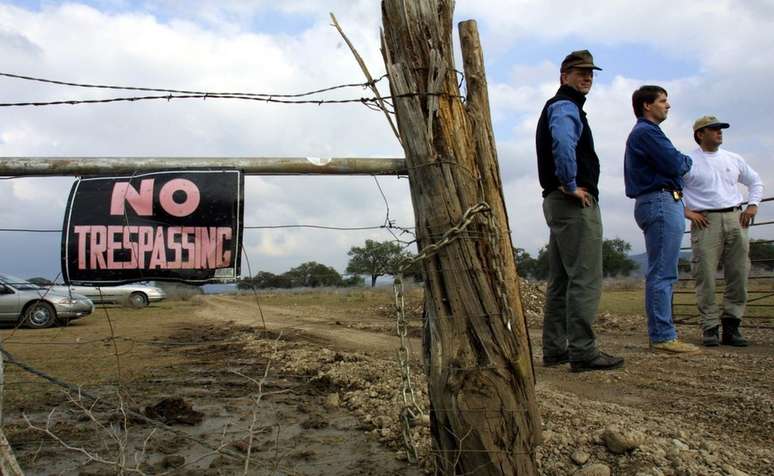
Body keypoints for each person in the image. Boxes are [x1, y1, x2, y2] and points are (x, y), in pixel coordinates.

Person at [536, 49, 624, 372]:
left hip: (557, 203)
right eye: (580, 71)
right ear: (564, 76)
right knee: (585, 277)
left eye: (590, 72)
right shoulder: (565, 106)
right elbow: (562, 141)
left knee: (560, 280)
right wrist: (570, 183)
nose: (587, 77)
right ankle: (584, 352)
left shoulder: (563, 106)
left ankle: (555, 348)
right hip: (573, 203)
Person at [624, 85, 700, 353]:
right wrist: (686, 161)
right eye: (663, 101)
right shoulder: (647, 133)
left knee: (663, 270)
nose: (668, 105)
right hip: (660, 199)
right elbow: (676, 164)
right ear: (647, 105)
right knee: (663, 272)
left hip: (661, 201)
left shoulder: (647, 133)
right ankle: (663, 336)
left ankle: (663, 334)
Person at [683, 116, 763, 347]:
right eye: (714, 129)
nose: (719, 132)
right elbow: (672, 189)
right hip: (705, 220)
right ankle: (710, 326)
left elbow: (755, 181)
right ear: (700, 134)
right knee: (705, 274)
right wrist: (686, 212)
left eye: (720, 129)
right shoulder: (688, 160)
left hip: (736, 217)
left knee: (738, 272)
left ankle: (732, 325)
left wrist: (753, 205)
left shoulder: (733, 158)